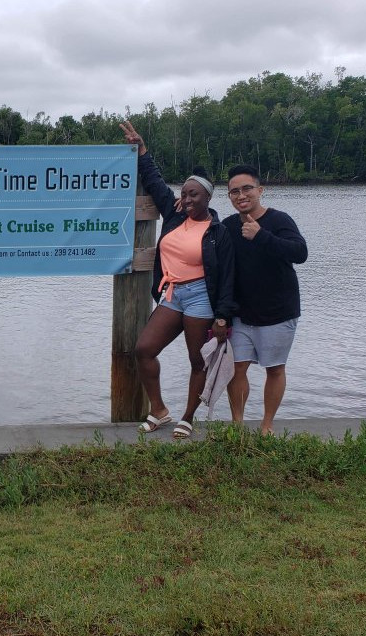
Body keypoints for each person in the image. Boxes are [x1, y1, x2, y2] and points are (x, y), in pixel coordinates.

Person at [120, 121, 236, 439]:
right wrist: (142, 150)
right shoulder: (174, 216)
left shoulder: (217, 232)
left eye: (193, 194)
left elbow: (226, 278)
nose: (186, 198)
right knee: (144, 349)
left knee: (197, 360)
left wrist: (223, 316)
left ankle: (187, 417)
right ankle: (159, 410)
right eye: (184, 193)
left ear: (207, 198)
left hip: (201, 296)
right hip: (172, 293)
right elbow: (156, 182)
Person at [223, 165, 308, 435]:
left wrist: (261, 236)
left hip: (278, 312)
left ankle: (267, 426)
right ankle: (237, 425)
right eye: (234, 191)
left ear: (260, 190)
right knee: (235, 370)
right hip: (241, 315)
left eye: (247, 188)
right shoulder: (227, 226)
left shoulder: (279, 220)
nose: (241, 195)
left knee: (274, 369)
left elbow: (300, 253)